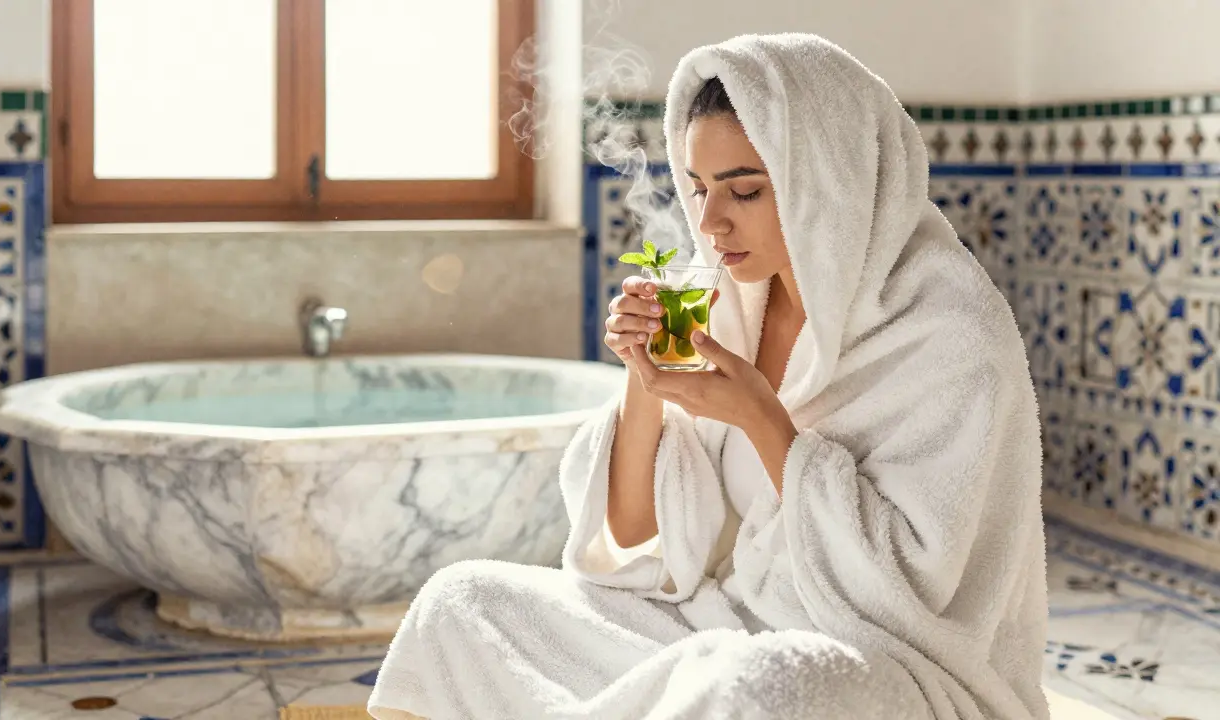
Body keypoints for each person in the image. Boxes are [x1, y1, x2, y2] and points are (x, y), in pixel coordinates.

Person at [368, 33, 1048, 720]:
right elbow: (635, 540)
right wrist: (645, 381)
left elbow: (910, 594)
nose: (710, 222)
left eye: (744, 191)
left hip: (886, 664)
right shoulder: (729, 304)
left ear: (829, 180)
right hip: (722, 628)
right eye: (696, 189)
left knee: (758, 684)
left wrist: (761, 416)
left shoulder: (953, 340)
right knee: (462, 604)